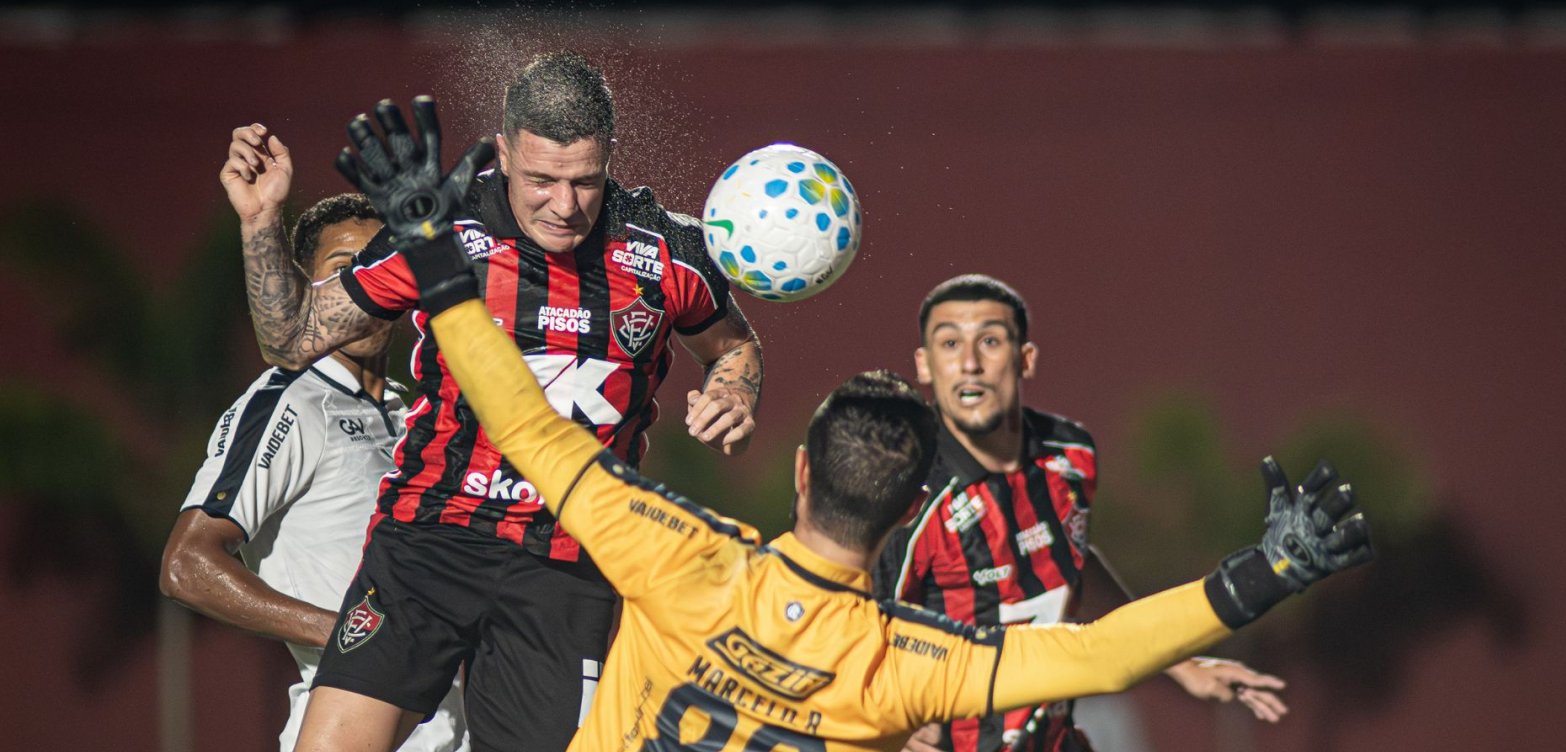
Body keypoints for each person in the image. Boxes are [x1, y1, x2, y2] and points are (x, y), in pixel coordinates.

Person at [331, 101, 1374, 752]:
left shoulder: (674, 557)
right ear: (907, 509)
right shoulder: (902, 659)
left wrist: (431, 246)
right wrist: (1263, 575)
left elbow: (523, 422)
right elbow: (1098, 657)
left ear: (797, 475)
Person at [229, 52, 764, 751]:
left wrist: (733, 387)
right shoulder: (439, 225)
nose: (565, 205)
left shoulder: (666, 251)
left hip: (566, 568)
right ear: (506, 153)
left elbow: (735, 344)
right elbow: (292, 338)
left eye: (584, 182)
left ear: (610, 158)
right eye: (542, 180)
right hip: (427, 542)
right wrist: (259, 221)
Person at [874, 275, 1289, 752]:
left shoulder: (1069, 454)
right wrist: (890, 726)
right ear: (925, 366)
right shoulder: (909, 491)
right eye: (950, 343)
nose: (970, 363)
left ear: (1025, 358)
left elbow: (1071, 563)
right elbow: (852, 620)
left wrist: (1180, 664)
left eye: (989, 340)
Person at [158, 192, 467, 752]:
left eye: (381, 264)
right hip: (349, 723)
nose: (365, 284)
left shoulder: (411, 409)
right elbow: (186, 565)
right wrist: (353, 636)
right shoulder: (291, 400)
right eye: (344, 270)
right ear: (303, 284)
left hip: (451, 726)